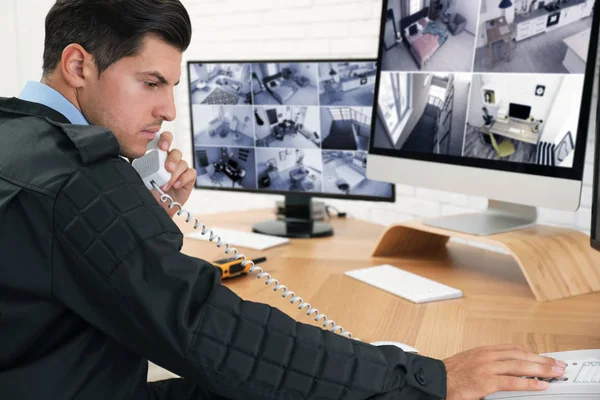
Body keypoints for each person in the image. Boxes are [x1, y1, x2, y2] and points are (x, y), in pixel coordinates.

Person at [0, 1, 567, 399]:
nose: (170, 110)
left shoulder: (16, 137)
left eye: (172, 85)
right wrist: (428, 378)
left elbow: (69, 263)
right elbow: (212, 330)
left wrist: (139, 212)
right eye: (151, 83)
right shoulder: (80, 178)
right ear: (79, 66)